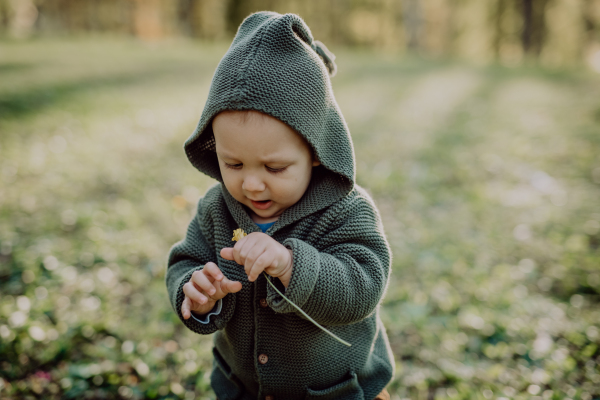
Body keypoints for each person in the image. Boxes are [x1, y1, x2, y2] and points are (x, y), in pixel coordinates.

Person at [166, 11, 394, 400]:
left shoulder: (345, 211)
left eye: (275, 167)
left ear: (317, 152)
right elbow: (186, 261)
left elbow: (364, 286)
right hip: (243, 387)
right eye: (232, 164)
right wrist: (195, 292)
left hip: (332, 390)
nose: (251, 183)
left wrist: (291, 264)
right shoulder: (216, 209)